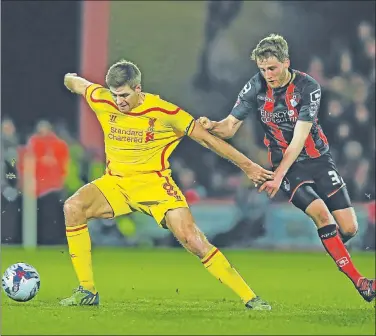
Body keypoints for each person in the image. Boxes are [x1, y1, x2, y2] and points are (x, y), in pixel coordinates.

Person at [60, 59, 274, 309]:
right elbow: (78, 83)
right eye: (116, 95)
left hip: (155, 186)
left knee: (193, 240)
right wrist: (68, 77)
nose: (119, 101)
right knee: (73, 207)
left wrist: (249, 166)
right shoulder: (102, 98)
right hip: (115, 184)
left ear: (138, 89)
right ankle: (87, 290)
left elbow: (208, 141)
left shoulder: (165, 112)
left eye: (125, 95)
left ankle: (250, 297)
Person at [198, 34, 375, 303]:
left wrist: (276, 178)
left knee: (349, 229)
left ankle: (333, 245)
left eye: (272, 68)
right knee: (321, 216)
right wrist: (211, 125)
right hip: (288, 167)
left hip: (318, 160)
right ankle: (361, 281)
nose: (267, 74)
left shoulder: (308, 87)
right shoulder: (255, 87)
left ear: (286, 63)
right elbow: (229, 126)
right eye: (262, 69)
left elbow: (299, 139)